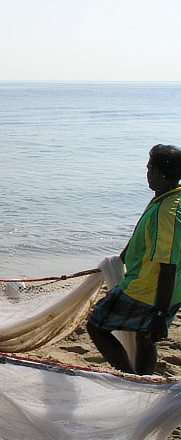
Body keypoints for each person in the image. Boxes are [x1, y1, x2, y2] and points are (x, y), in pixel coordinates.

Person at [86, 144, 181, 375]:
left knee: (96, 325)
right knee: (146, 336)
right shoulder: (169, 198)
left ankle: (129, 378)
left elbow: (168, 267)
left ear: (157, 173)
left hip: (147, 290)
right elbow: (141, 231)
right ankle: (143, 381)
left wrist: (160, 313)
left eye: (149, 168)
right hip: (175, 291)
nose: (147, 173)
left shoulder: (166, 213)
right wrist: (119, 261)